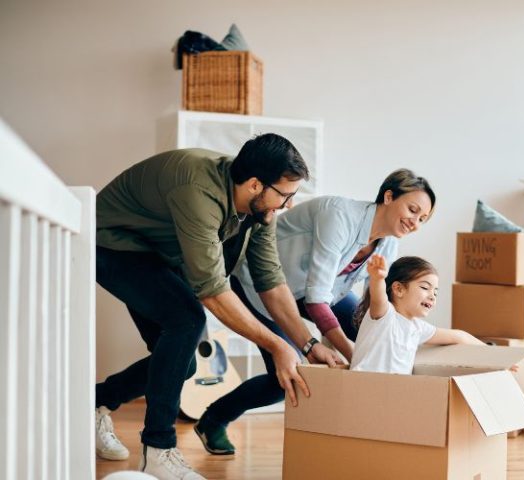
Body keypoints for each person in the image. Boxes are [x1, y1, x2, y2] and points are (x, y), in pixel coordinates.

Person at [93, 134, 340, 480]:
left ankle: (95, 402)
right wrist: (276, 344)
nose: (287, 205)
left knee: (185, 362)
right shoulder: (199, 190)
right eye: (285, 194)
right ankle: (158, 450)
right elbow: (211, 289)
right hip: (112, 241)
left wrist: (308, 344)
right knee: (185, 321)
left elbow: (271, 280)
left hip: (157, 252)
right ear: (255, 184)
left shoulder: (258, 211)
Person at [194, 169, 435, 455]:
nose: (415, 222)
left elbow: (378, 307)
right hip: (262, 285)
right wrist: (352, 353)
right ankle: (213, 420)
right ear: (389, 196)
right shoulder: (339, 215)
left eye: (423, 219)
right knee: (284, 376)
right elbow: (317, 298)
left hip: (316, 293)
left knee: (375, 334)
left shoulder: (389, 243)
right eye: (413, 209)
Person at [350, 255, 485, 374]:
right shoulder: (385, 314)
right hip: (363, 387)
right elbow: (378, 297)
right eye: (425, 288)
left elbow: (460, 336)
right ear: (398, 289)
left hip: (392, 394)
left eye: (435, 292)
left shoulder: (418, 328)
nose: (432, 296)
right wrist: (378, 278)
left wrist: (496, 354)